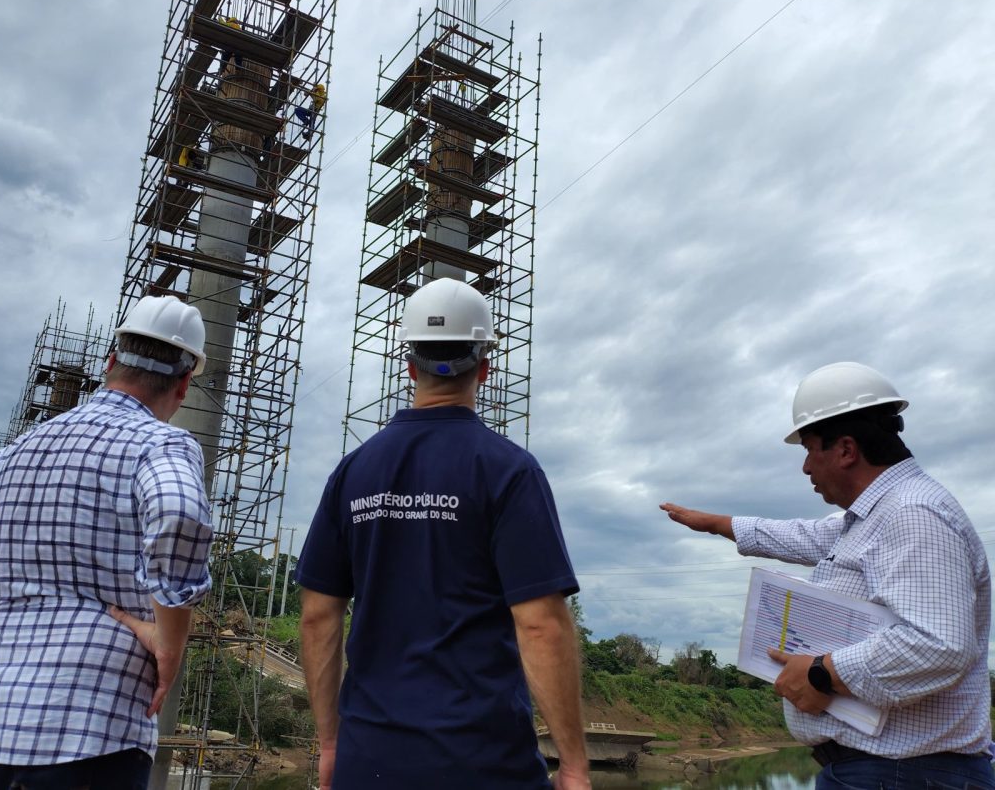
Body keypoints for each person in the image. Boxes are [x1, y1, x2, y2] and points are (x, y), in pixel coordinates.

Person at [0, 296, 215, 790]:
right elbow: (180, 514)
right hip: (94, 725)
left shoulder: (26, 448)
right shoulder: (162, 444)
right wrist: (170, 640)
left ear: (110, 362)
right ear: (185, 383)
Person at [295, 277, 589, 789]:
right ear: (486, 370)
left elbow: (319, 617)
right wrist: (575, 764)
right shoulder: (509, 472)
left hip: (369, 760)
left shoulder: (352, 473)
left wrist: (329, 745)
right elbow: (540, 625)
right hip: (483, 763)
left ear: (410, 367)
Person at [661, 362, 993, 790]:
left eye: (809, 448)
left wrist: (822, 673)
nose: (805, 468)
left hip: (903, 774)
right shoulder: (876, 516)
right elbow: (807, 535)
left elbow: (938, 645)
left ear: (846, 450)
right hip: (885, 772)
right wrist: (719, 524)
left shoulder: (912, 515)